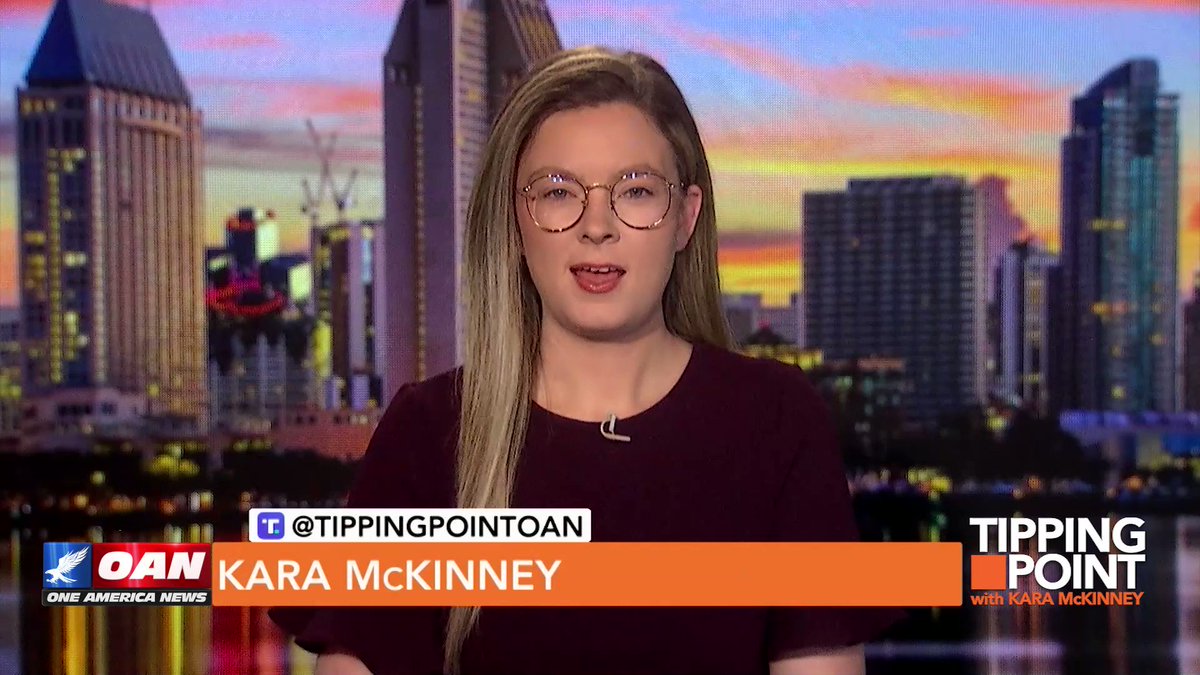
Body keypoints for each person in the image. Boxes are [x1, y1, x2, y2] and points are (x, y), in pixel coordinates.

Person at [269, 46, 904, 675]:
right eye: (557, 192)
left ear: (685, 219)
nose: (596, 226)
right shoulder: (428, 431)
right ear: (515, 224)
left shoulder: (775, 419)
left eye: (635, 191)